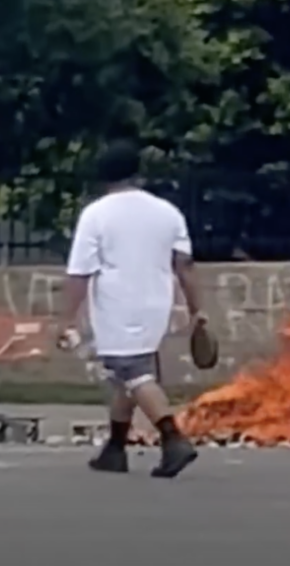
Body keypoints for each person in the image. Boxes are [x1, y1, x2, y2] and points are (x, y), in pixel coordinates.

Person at [58, 140, 206, 478]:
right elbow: (185, 265)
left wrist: (66, 319)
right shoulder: (167, 212)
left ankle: (173, 439)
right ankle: (114, 448)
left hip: (117, 304)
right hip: (157, 301)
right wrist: (197, 309)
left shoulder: (96, 214)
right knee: (123, 373)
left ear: (102, 175)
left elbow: (79, 273)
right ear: (138, 172)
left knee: (132, 372)